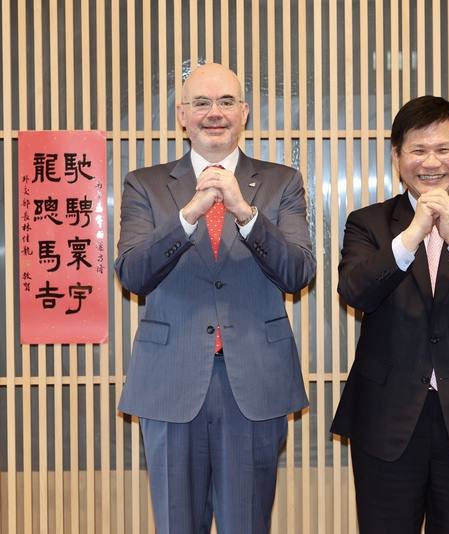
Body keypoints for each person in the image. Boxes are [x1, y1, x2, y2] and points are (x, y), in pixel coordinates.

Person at [115, 63, 315, 533]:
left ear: (244, 112)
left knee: (247, 522)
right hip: (170, 380)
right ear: (182, 115)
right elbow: (133, 274)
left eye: (226, 102)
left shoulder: (282, 181)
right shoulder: (144, 183)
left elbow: (298, 272)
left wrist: (246, 214)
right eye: (201, 103)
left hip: (255, 380)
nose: (214, 113)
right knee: (176, 523)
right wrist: (188, 216)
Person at [330, 95, 449, 534]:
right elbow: (356, 291)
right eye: (418, 150)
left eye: (443, 149)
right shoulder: (368, 223)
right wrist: (413, 233)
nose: (431, 162)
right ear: (397, 156)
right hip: (386, 416)